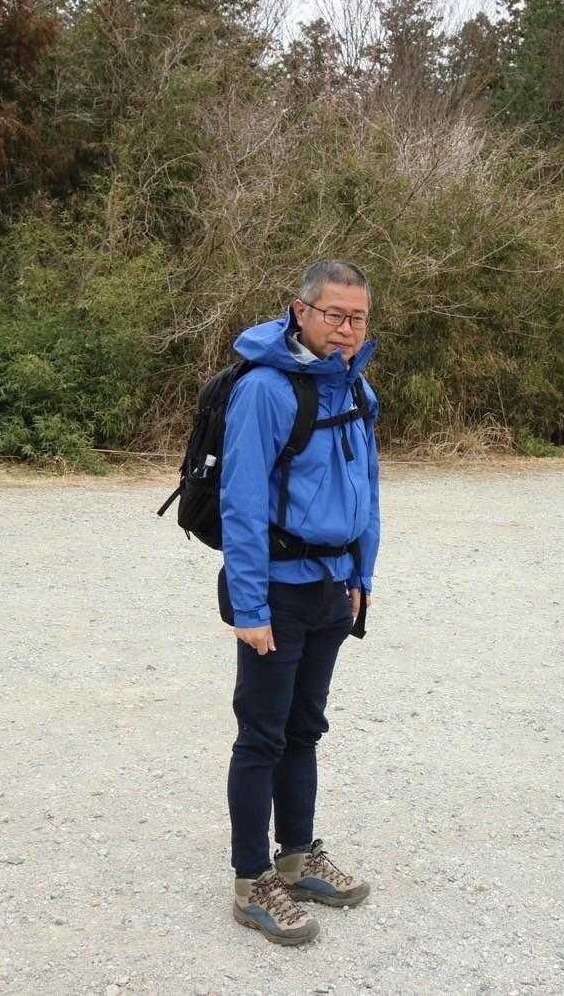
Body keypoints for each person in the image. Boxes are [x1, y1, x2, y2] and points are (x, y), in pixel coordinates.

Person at [218, 259, 381, 946]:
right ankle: (252, 879)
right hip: (278, 593)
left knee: (305, 728)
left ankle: (296, 855)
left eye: (358, 317)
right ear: (301, 311)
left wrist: (362, 572)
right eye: (334, 315)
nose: (346, 330)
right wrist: (250, 609)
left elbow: (367, 486)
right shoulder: (263, 390)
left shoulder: (356, 387)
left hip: (332, 588)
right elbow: (241, 504)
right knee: (262, 734)